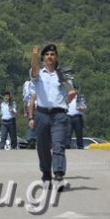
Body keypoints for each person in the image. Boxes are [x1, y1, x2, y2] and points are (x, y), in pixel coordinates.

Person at [29, 44, 76, 190]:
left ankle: (59, 174)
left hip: (59, 115)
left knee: (58, 145)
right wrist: (35, 55)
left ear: (56, 57)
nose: (50, 57)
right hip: (42, 114)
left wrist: (68, 99)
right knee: (42, 147)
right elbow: (34, 70)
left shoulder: (63, 75)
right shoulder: (38, 74)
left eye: (52, 54)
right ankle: (46, 173)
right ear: (43, 58)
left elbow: (71, 92)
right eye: (47, 54)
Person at [22, 80, 36, 149]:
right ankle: (31, 140)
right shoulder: (27, 84)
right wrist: (24, 111)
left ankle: (37, 140)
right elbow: (25, 98)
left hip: (40, 106)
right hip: (30, 106)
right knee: (31, 124)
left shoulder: (42, 81)